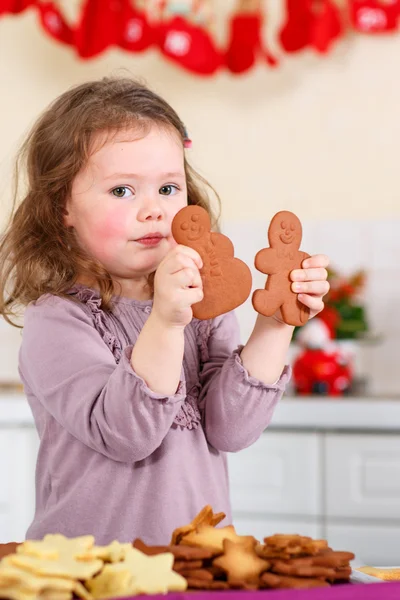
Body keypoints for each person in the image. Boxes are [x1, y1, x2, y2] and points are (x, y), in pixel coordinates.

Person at [0, 77, 329, 544]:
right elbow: (126, 434)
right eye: (122, 191)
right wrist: (166, 321)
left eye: (169, 187)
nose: (153, 210)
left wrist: (277, 322)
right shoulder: (57, 319)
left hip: (198, 566)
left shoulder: (204, 305)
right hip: (90, 573)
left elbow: (232, 429)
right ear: (61, 208)